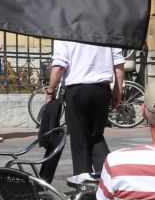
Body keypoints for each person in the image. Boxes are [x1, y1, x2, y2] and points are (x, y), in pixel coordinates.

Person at [46, 40, 125, 187]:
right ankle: (108, 181)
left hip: (77, 89)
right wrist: (118, 90)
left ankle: (85, 185)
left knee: (79, 138)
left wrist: (50, 91)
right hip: (102, 89)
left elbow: (59, 65)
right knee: (96, 136)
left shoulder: (64, 31)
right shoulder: (107, 28)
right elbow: (118, 62)